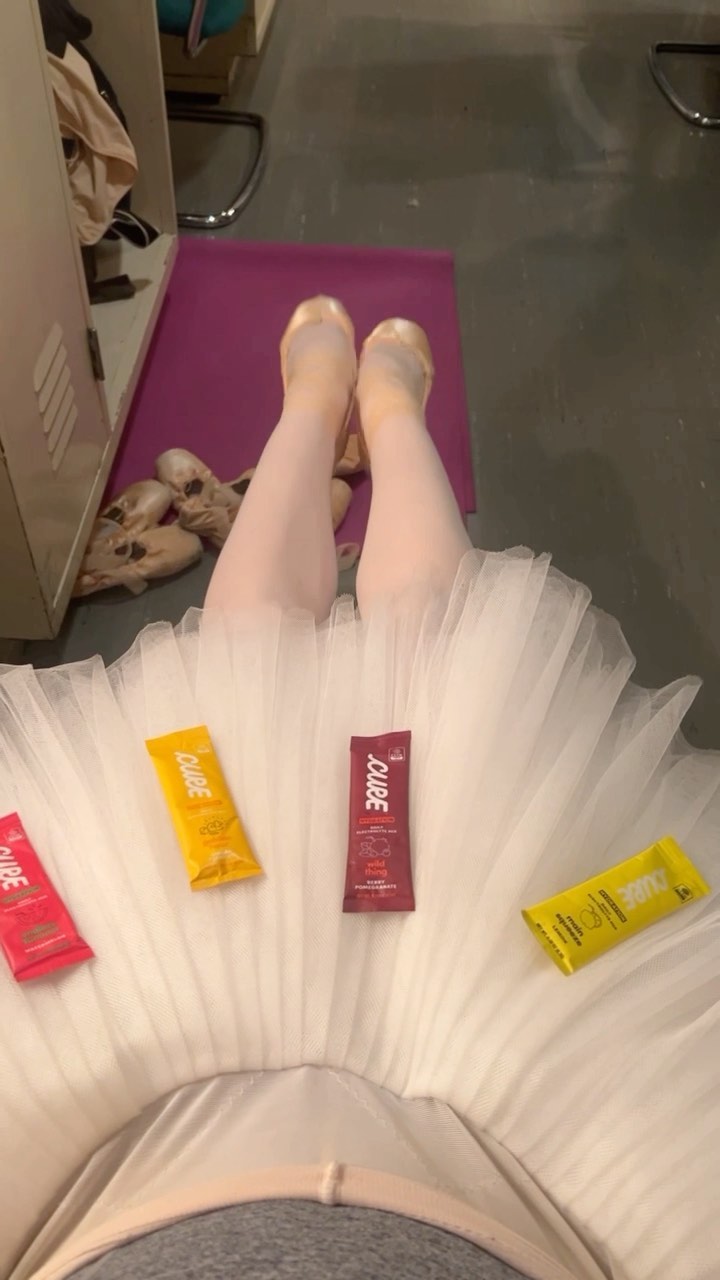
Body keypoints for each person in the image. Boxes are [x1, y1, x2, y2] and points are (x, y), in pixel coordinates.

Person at [0, 300, 718, 1280]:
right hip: (535, 1174)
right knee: (436, 679)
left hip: (104, 1154)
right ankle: (382, 406)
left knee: (253, 669)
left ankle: (317, 402)